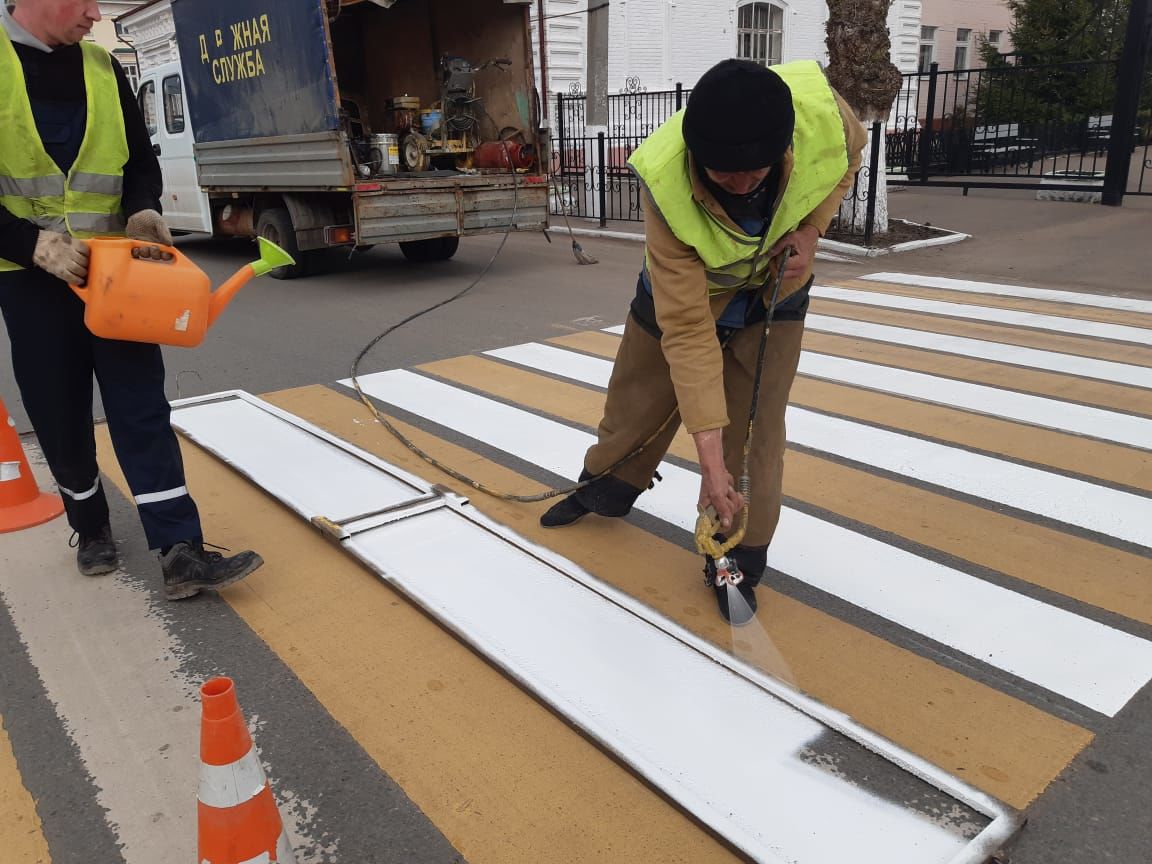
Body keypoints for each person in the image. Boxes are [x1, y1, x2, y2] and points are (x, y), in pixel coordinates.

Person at [541, 58, 867, 625]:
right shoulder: (663, 180)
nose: (741, 185)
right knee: (636, 404)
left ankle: (735, 552)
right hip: (687, 293)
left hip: (773, 290)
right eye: (724, 174)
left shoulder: (825, 120)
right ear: (696, 154)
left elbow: (846, 163)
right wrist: (707, 467)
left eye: (755, 173)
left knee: (756, 431)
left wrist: (811, 233)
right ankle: (604, 489)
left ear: (783, 146)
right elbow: (688, 334)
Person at [0, 0, 263, 599]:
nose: (96, 13)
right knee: (59, 415)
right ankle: (90, 527)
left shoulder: (101, 67)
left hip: (118, 275)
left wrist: (144, 206)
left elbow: (139, 162)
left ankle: (180, 549)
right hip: (31, 278)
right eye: (84, 0)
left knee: (140, 404)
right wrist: (30, 244)